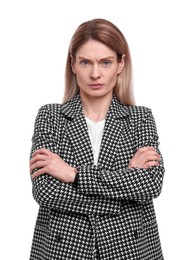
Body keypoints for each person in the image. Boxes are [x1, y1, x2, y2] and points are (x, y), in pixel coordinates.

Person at [29, 18, 165, 260]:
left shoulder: (140, 118)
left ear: (121, 64)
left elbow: (151, 184)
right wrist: (124, 190)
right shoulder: (50, 116)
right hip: (65, 251)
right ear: (72, 65)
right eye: (85, 62)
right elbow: (47, 191)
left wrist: (74, 175)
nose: (95, 73)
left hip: (128, 251)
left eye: (105, 62)